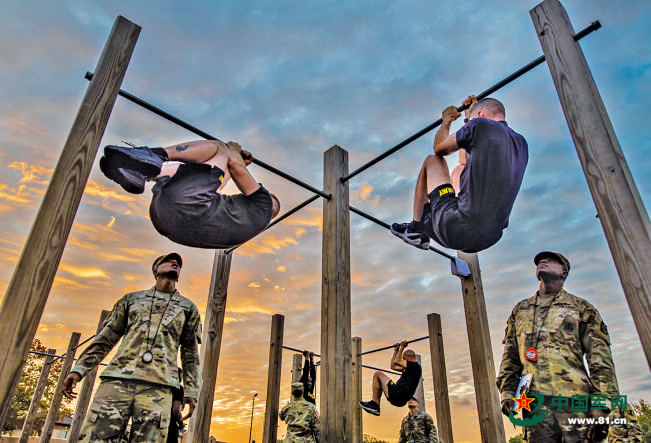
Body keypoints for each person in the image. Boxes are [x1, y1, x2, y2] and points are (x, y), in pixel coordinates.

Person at [62, 253, 202, 442]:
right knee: (94, 438)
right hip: (117, 380)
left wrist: (192, 391)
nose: (175, 263)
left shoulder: (187, 308)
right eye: (168, 261)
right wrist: (79, 369)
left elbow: (190, 353)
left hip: (159, 388)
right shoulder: (132, 300)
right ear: (156, 270)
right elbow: (106, 337)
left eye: (177, 263)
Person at [496, 251, 620, 443]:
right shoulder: (520, 311)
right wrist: (507, 392)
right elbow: (510, 358)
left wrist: (602, 404)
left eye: (552, 260)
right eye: (540, 261)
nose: (543, 261)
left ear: (564, 272)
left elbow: (600, 360)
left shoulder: (581, 308)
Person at [391, 95, 528, 253]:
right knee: (459, 169)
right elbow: (465, 160)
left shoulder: (480, 124)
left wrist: (446, 121)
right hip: (489, 237)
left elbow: (439, 148)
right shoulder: (521, 143)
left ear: (481, 114)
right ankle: (433, 217)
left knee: (433, 160)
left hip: (457, 226)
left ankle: (416, 228)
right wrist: (468, 120)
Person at [99, 140, 280, 249]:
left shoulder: (263, 203)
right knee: (197, 173)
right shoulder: (245, 223)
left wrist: (233, 150)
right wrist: (233, 167)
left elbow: (233, 163)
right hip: (166, 220)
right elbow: (212, 184)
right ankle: (138, 172)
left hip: (188, 207)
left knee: (219, 149)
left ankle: (155, 155)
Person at [359, 341, 422, 416]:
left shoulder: (415, 366)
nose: (403, 360)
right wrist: (396, 351)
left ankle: (374, 403)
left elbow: (397, 361)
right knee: (379, 379)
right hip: (399, 397)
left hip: (398, 393)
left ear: (409, 357)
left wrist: (402, 348)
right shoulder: (410, 369)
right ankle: (375, 404)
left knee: (378, 374)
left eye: (404, 358)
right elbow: (393, 366)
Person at [167, 368, 185, 443]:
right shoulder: (178, 388)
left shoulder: (164, 386)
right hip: (171, 426)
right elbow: (175, 410)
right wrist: (180, 423)